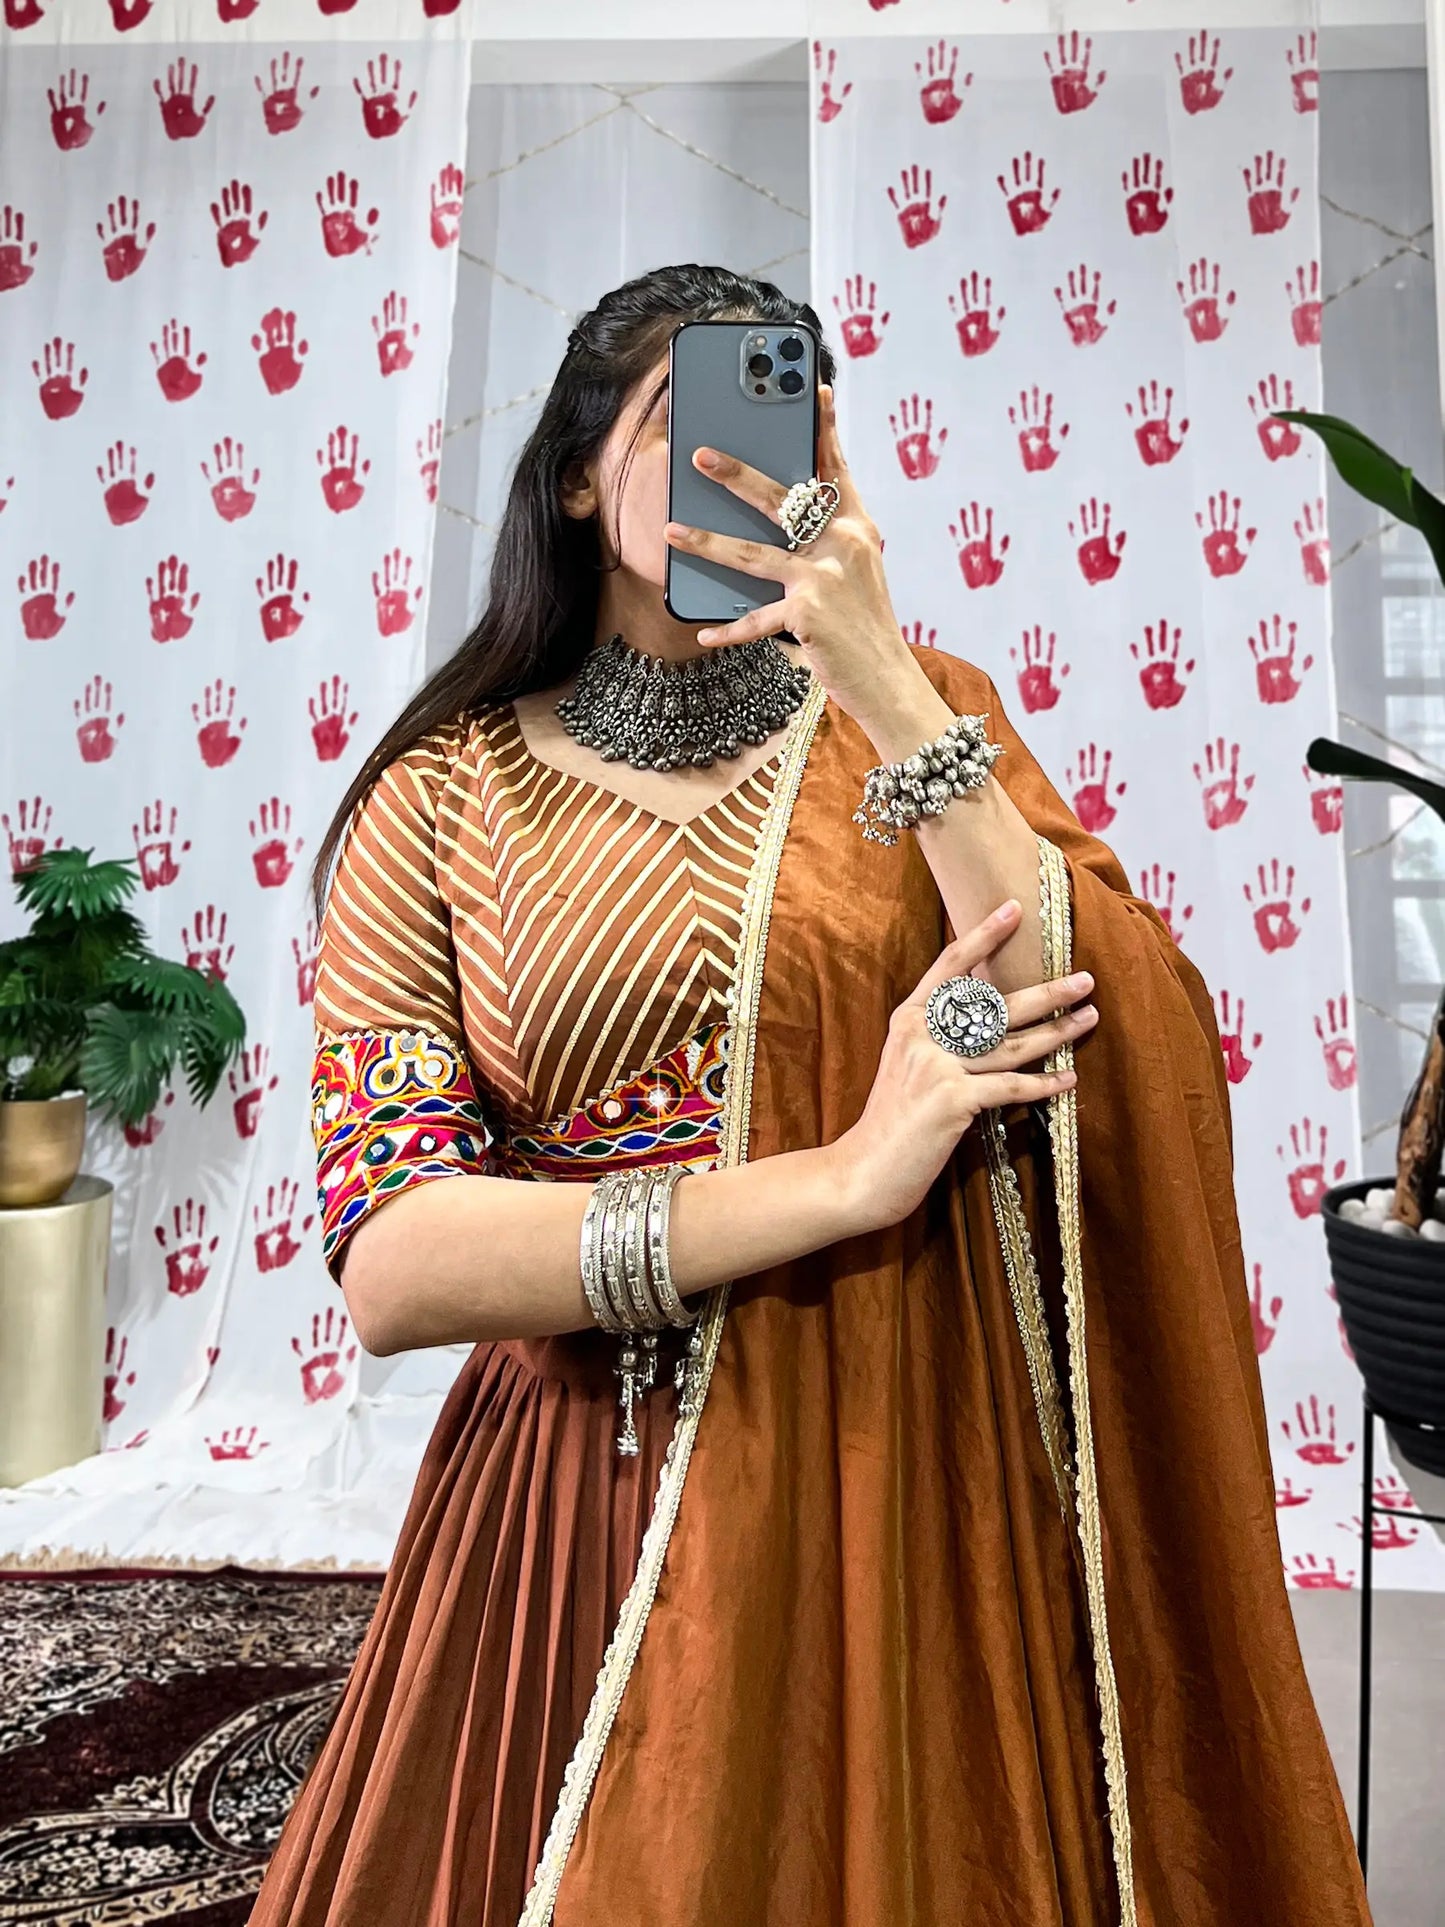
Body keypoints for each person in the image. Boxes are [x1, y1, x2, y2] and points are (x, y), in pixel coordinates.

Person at [247, 264, 1372, 1927]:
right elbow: (396, 1261)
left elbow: (1090, 1016)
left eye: (789, 420)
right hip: (588, 1493)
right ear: (576, 476)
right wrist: (838, 1180)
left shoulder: (926, 718)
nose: (741, 460)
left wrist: (883, 678)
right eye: (680, 417)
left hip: (910, 1455)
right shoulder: (441, 798)